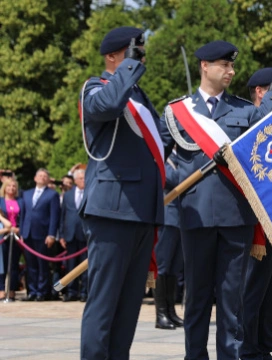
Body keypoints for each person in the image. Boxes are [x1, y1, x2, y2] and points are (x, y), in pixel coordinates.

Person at [160, 45, 272, 360]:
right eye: (224, 65)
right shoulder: (178, 111)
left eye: (232, 66)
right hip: (196, 215)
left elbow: (264, 145)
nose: (230, 71)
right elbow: (156, 161)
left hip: (236, 218)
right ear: (205, 66)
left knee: (233, 301)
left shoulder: (246, 110)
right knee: (197, 298)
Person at [79, 26, 166, 359]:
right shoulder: (95, 87)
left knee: (128, 312)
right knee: (103, 308)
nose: (140, 59)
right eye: (134, 53)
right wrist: (127, 69)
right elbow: (107, 106)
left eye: (140, 54)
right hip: (111, 212)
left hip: (143, 211)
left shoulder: (140, 97)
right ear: (112, 56)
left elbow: (157, 150)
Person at [239, 67, 272, 360]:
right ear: (261, 91)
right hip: (256, 223)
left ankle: (262, 346)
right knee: (252, 289)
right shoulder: (248, 120)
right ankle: (245, 348)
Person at [19, 168, 60, 301]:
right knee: (30, 265)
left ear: (48, 180)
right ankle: (32, 291)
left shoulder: (52, 195)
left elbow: (54, 216)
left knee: (42, 265)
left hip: (43, 234)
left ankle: (42, 292)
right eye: (40, 176)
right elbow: (23, 214)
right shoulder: (26, 194)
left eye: (45, 176)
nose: (42, 178)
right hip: (28, 234)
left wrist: (51, 234)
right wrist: (22, 232)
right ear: (35, 178)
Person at [154, 153, 184, 330]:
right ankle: (161, 314)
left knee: (174, 268)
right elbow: (171, 178)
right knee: (163, 267)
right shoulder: (164, 157)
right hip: (167, 217)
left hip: (180, 219)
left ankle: (171, 311)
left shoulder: (180, 159)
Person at [58, 169, 88, 302]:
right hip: (70, 235)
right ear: (75, 180)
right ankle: (71, 291)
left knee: (85, 266)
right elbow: (62, 215)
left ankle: (85, 292)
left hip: (85, 235)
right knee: (71, 265)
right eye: (80, 178)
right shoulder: (68, 195)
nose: (83, 181)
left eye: (84, 178)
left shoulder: (90, 193)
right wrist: (61, 235)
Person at [0, 179, 22, 300]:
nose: (12, 188)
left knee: (14, 264)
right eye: (9, 185)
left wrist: (19, 229)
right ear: (4, 187)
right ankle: (2, 289)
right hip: (3, 235)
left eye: (14, 186)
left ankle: (12, 290)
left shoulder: (20, 201)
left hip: (16, 235)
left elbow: (24, 217)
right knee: (1, 264)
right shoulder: (0, 201)